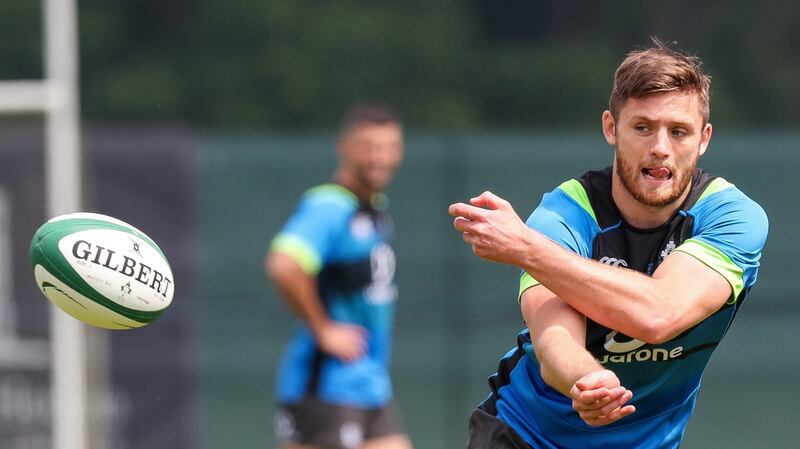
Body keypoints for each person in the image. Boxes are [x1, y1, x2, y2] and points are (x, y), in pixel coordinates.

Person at [449, 40, 768, 449]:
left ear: (704, 138)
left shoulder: (732, 217)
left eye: (678, 131)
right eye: (642, 127)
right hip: (524, 434)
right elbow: (553, 340)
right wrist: (589, 380)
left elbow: (659, 315)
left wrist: (527, 249)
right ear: (611, 128)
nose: (660, 148)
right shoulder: (563, 216)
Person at [266, 104, 413, 449]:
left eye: (390, 147)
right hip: (326, 388)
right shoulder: (330, 207)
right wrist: (323, 329)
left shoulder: (374, 211)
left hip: (369, 385)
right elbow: (284, 264)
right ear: (344, 147)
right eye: (370, 147)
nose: (380, 157)